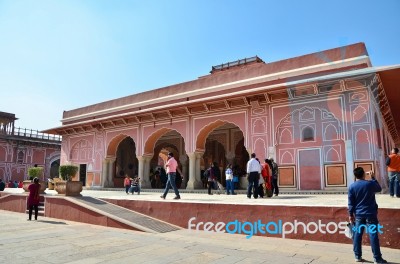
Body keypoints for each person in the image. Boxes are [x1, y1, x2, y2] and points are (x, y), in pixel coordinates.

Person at [348, 167, 387, 264]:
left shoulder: (352, 187)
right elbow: (379, 188)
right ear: (364, 174)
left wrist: (350, 214)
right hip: (371, 214)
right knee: (373, 235)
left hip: (359, 215)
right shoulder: (369, 184)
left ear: (355, 175)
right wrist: (373, 177)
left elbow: (351, 203)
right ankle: (377, 258)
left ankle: (357, 256)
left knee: (357, 235)